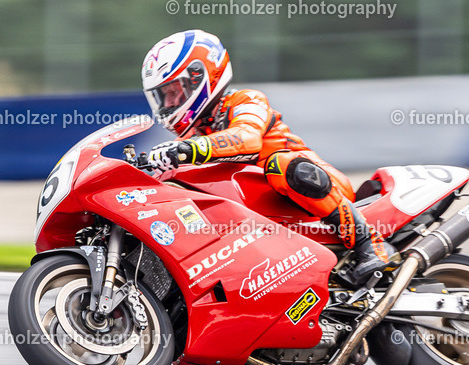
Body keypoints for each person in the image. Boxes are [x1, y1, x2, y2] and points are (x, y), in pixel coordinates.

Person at [141, 29, 397, 287]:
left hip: (315, 186)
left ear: (199, 77)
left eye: (174, 91)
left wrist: (185, 151)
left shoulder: (245, 100)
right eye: (164, 96)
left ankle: (370, 243)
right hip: (271, 211)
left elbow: (247, 138)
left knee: (281, 164)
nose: (170, 102)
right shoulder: (191, 138)